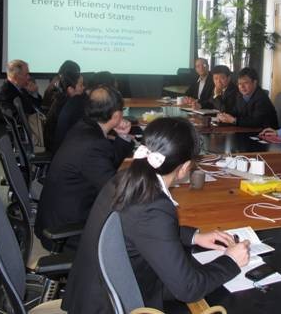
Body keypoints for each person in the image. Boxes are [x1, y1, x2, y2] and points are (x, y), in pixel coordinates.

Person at [62, 117, 250, 313]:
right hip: (112, 305)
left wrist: (195, 237)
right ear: (185, 167)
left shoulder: (126, 178)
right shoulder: (153, 207)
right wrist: (231, 261)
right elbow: (188, 289)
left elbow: (142, 230)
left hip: (92, 293)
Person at [35, 85, 134, 250]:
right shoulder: (93, 145)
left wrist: (123, 136)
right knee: (134, 234)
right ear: (117, 115)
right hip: (68, 229)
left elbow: (107, 163)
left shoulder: (83, 127)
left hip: (60, 215)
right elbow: (115, 192)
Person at [53, 71, 117, 152]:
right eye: (111, 93)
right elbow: (90, 135)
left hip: (67, 149)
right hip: (70, 152)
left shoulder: (80, 100)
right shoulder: (85, 105)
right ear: (102, 89)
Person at [43, 70, 84, 153]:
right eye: (81, 85)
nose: (84, 88)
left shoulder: (61, 100)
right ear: (70, 89)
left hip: (55, 146)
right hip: (60, 150)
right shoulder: (72, 106)